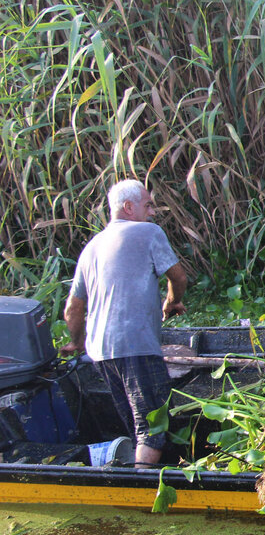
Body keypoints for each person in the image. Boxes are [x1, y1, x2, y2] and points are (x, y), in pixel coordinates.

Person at [63, 180, 187, 465]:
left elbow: (73, 308)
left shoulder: (91, 247)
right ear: (128, 207)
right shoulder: (148, 232)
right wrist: (172, 301)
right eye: (148, 205)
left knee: (137, 423)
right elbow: (179, 277)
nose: (152, 212)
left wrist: (76, 342)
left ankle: (145, 473)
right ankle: (143, 483)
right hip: (135, 346)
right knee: (152, 429)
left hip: (101, 353)